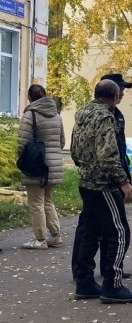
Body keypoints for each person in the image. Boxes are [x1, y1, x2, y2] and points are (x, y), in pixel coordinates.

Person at [70, 79, 132, 303]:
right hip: (104, 185)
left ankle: (85, 282)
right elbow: (108, 155)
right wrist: (123, 182)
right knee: (119, 232)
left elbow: (74, 150)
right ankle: (112, 284)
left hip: (86, 182)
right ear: (114, 97)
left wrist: (86, 168)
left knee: (90, 232)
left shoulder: (83, 114)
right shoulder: (106, 116)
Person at [17, 84, 65, 250]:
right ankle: (55, 235)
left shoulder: (30, 114)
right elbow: (62, 142)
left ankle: (40, 239)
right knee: (47, 200)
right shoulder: (56, 116)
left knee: (36, 202)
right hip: (54, 166)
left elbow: (22, 142)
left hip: (36, 165)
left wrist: (22, 159)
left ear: (30, 98)